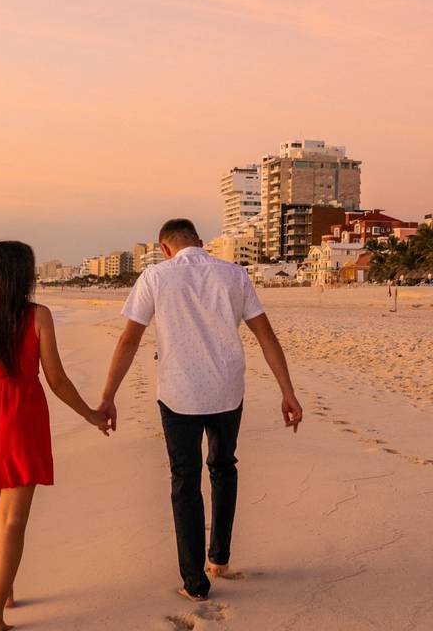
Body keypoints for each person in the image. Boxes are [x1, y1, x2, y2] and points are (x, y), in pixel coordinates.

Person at [98, 218, 303, 601]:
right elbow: (265, 334)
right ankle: (220, 558)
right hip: (227, 389)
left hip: (179, 392)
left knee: (185, 481)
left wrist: (108, 395)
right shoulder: (234, 274)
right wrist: (287, 391)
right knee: (224, 467)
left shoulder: (156, 277)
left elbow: (129, 339)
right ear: (200, 242)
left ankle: (195, 582)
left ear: (165, 248)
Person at [0, 240, 110, 631]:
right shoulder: (39, 315)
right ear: (23, 275)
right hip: (23, 417)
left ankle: (5, 593)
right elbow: (56, 379)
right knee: (14, 520)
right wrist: (90, 414)